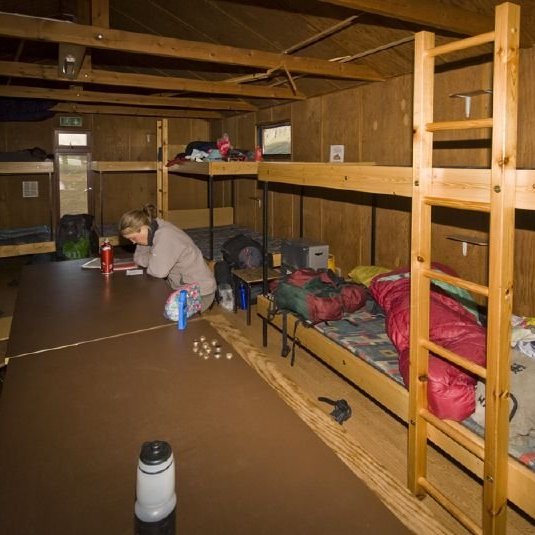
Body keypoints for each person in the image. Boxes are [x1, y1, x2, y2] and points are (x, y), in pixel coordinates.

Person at [119, 205, 216, 313]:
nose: (133, 242)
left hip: (200, 293)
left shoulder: (165, 235)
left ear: (142, 228)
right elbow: (138, 258)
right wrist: (154, 258)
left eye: (133, 238)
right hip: (178, 287)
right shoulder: (151, 229)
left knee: (159, 313)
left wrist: (153, 259)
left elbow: (157, 272)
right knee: (145, 302)